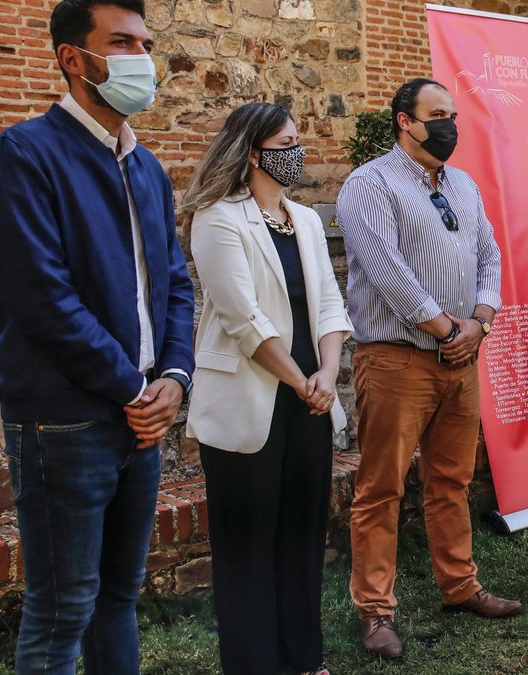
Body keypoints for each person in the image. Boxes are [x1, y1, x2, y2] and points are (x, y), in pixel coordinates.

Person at [0, 1, 194, 672]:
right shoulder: (25, 155)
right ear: (72, 58)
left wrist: (174, 379)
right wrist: (133, 385)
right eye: (121, 42)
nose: (142, 59)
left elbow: (176, 283)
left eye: (145, 43)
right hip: (64, 422)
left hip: (142, 420)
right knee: (63, 608)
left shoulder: (148, 168)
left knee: (119, 596)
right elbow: (41, 298)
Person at [336, 77, 519, 660]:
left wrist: (481, 319)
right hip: (397, 359)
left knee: (451, 480)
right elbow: (384, 268)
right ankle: (375, 610)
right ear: (404, 122)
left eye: (453, 116)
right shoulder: (371, 184)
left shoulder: (463, 184)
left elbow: (489, 250)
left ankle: (459, 586)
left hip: (461, 356)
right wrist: (445, 327)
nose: (449, 127)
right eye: (436, 115)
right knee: (381, 487)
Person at [182, 103, 352, 675]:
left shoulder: (304, 220)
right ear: (254, 151)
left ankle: (303, 660)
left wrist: (326, 377)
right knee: (248, 544)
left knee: (302, 536)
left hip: (310, 399)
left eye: (298, 139)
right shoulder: (217, 217)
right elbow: (242, 318)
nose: (297, 150)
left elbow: (329, 303)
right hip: (253, 397)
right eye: (287, 141)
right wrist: (302, 380)